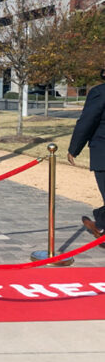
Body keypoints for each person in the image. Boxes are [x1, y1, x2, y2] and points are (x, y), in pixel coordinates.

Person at [69, 67, 105, 243]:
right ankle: (100, 223)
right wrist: (75, 148)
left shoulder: (99, 92)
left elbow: (87, 121)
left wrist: (74, 149)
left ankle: (100, 222)